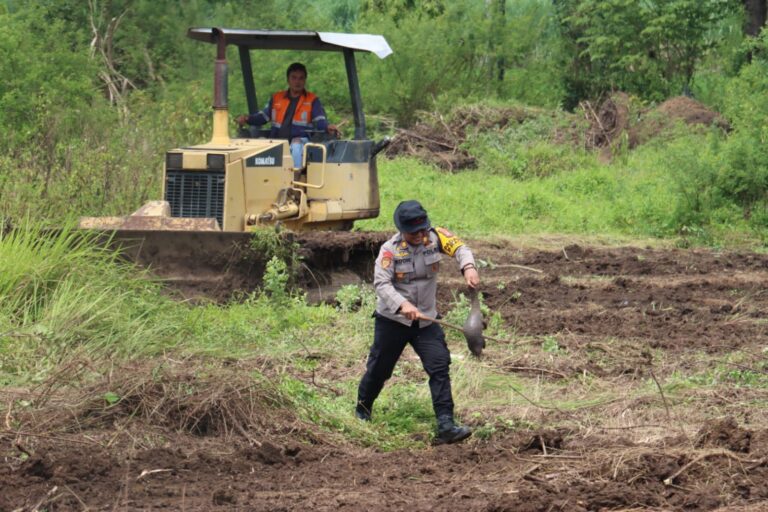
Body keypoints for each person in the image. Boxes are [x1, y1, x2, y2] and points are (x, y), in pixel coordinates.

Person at [355, 200, 480, 445]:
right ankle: (363, 409)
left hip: (426, 321)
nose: (420, 235)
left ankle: (446, 424)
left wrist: (468, 267)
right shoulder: (389, 250)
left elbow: (461, 248)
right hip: (393, 321)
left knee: (439, 365)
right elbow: (381, 284)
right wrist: (402, 305)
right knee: (380, 369)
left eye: (423, 229)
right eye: (414, 232)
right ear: (402, 230)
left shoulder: (435, 238)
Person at [237, 62, 340, 169]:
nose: (297, 82)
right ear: (288, 79)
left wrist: (328, 127)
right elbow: (263, 117)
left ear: (305, 80)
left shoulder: (312, 100)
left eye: (301, 78)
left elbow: (320, 121)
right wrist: (247, 119)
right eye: (294, 78)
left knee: (296, 145)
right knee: (259, 143)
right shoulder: (277, 98)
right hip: (277, 139)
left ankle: (296, 178)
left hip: (301, 140)